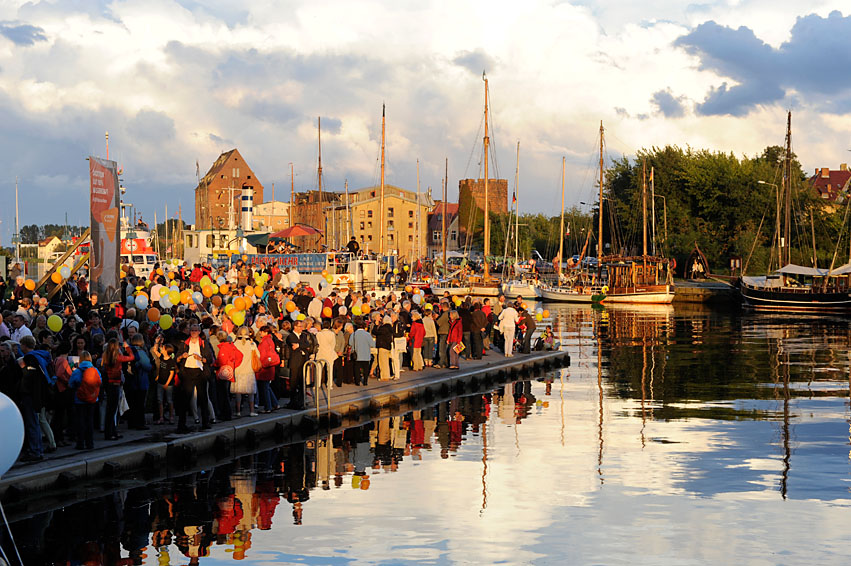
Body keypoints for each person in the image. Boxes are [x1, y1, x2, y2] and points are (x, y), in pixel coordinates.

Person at [176, 323, 215, 431]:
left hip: (200, 372)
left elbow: (210, 360)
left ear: (199, 332)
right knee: (185, 399)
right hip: (187, 371)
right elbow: (177, 358)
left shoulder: (204, 343)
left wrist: (201, 358)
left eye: (195, 330)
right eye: (192, 330)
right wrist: (181, 356)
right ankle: (181, 425)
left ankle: (205, 422)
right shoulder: (185, 344)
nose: (193, 332)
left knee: (203, 398)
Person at [100, 337, 134, 440]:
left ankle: (111, 431)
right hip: (115, 383)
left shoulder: (105, 356)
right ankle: (110, 433)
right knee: (113, 410)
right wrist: (127, 347)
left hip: (108, 383)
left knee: (110, 409)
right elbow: (131, 357)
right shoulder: (118, 357)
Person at [67, 350, 100, 450]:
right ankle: (90, 443)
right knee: (90, 420)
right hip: (93, 399)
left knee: (80, 421)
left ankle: (80, 443)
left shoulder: (77, 371)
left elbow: (70, 384)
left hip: (79, 399)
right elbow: (100, 381)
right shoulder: (95, 370)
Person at [214, 331, 242, 421]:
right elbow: (240, 355)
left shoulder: (223, 347)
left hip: (223, 373)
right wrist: (233, 365)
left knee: (223, 395)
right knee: (226, 394)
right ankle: (227, 413)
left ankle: (225, 414)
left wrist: (214, 365)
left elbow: (221, 361)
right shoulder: (231, 346)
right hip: (229, 372)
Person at [232, 326, 259, 417]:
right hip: (249, 370)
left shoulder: (235, 343)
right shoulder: (252, 344)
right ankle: (251, 411)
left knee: (238, 392)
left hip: (238, 370)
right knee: (251, 392)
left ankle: (238, 411)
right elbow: (258, 356)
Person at [256, 325, 280, 413]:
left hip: (265, 367)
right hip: (270, 366)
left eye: (261, 331)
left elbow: (262, 355)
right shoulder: (270, 340)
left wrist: (260, 364)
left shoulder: (264, 342)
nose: (260, 333)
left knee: (265, 387)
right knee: (267, 386)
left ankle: (268, 407)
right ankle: (275, 403)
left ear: (265, 332)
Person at [349, 319, 374, 386]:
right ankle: (365, 381)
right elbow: (372, 344)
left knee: (357, 369)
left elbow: (350, 343)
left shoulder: (353, 334)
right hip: (366, 354)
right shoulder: (367, 334)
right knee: (366, 369)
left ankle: (357, 382)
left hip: (357, 354)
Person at [316, 320, 338, 391]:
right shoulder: (332, 334)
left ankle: (317, 385)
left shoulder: (318, 334)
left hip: (320, 352)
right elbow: (333, 344)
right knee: (330, 369)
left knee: (319, 369)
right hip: (329, 353)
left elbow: (317, 344)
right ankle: (329, 385)